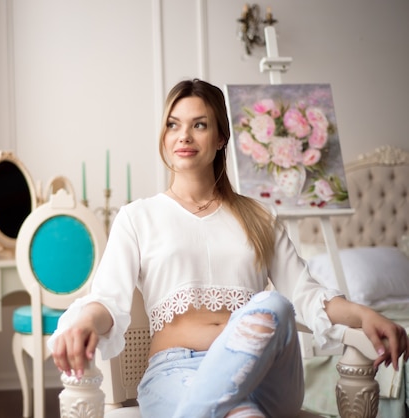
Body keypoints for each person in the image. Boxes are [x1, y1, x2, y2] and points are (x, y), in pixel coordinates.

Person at [49, 79, 408, 417]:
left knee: (274, 304)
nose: (183, 136)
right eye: (173, 125)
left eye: (199, 125)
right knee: (240, 414)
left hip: (265, 376)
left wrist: (364, 315)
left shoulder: (259, 215)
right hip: (176, 371)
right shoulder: (137, 217)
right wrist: (82, 320)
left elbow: (305, 294)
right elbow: (108, 301)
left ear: (221, 136)